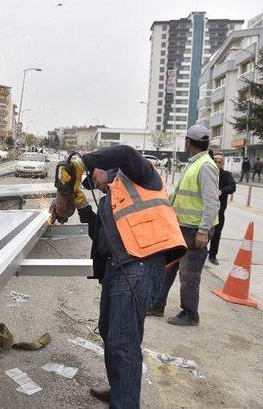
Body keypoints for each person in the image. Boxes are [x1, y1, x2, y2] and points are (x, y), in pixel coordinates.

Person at [58, 146, 187, 408]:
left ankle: (124, 402)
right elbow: (101, 236)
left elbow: (126, 153)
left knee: (123, 341)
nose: (93, 181)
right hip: (117, 268)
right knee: (109, 330)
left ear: (106, 167)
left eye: (93, 175)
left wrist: (85, 160)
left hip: (140, 265)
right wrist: (82, 205)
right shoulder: (109, 199)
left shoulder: (140, 176)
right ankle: (120, 388)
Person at [149, 125, 219, 326]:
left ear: (189, 141)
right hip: (181, 227)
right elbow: (182, 194)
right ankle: (156, 304)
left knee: (189, 274)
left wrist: (204, 231)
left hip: (195, 230)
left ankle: (190, 313)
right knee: (169, 266)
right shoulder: (195, 163)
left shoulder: (205, 165)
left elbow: (212, 202)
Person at [208, 154, 236, 265]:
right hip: (206, 209)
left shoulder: (226, 175)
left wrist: (221, 190)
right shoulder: (208, 172)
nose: (217, 163)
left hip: (219, 210)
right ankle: (201, 252)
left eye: (219, 162)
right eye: (215, 161)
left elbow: (232, 187)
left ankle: (212, 255)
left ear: (223, 164)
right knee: (203, 232)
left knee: (217, 233)